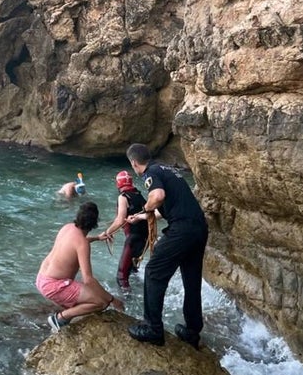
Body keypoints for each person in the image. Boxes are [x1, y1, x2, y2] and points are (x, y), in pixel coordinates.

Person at [124, 143, 208, 349]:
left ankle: (152, 328)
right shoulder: (166, 169)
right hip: (198, 228)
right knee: (191, 279)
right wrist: (142, 217)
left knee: (153, 272)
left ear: (134, 163)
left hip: (182, 230)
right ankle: (192, 330)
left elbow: (158, 196)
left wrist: (145, 206)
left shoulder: (150, 173)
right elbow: (167, 207)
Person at [36, 201, 124, 332]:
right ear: (94, 223)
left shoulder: (68, 227)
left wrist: (97, 238)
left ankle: (66, 309)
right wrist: (112, 299)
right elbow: (88, 279)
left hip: (41, 278)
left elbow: (73, 243)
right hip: (54, 285)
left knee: (91, 296)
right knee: (100, 302)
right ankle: (60, 318)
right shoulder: (82, 244)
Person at [99, 171, 148, 290]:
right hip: (144, 238)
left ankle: (129, 303)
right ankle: (142, 290)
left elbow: (120, 220)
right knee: (132, 270)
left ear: (118, 184)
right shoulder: (139, 194)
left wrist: (108, 232)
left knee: (121, 277)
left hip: (133, 239)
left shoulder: (123, 197)